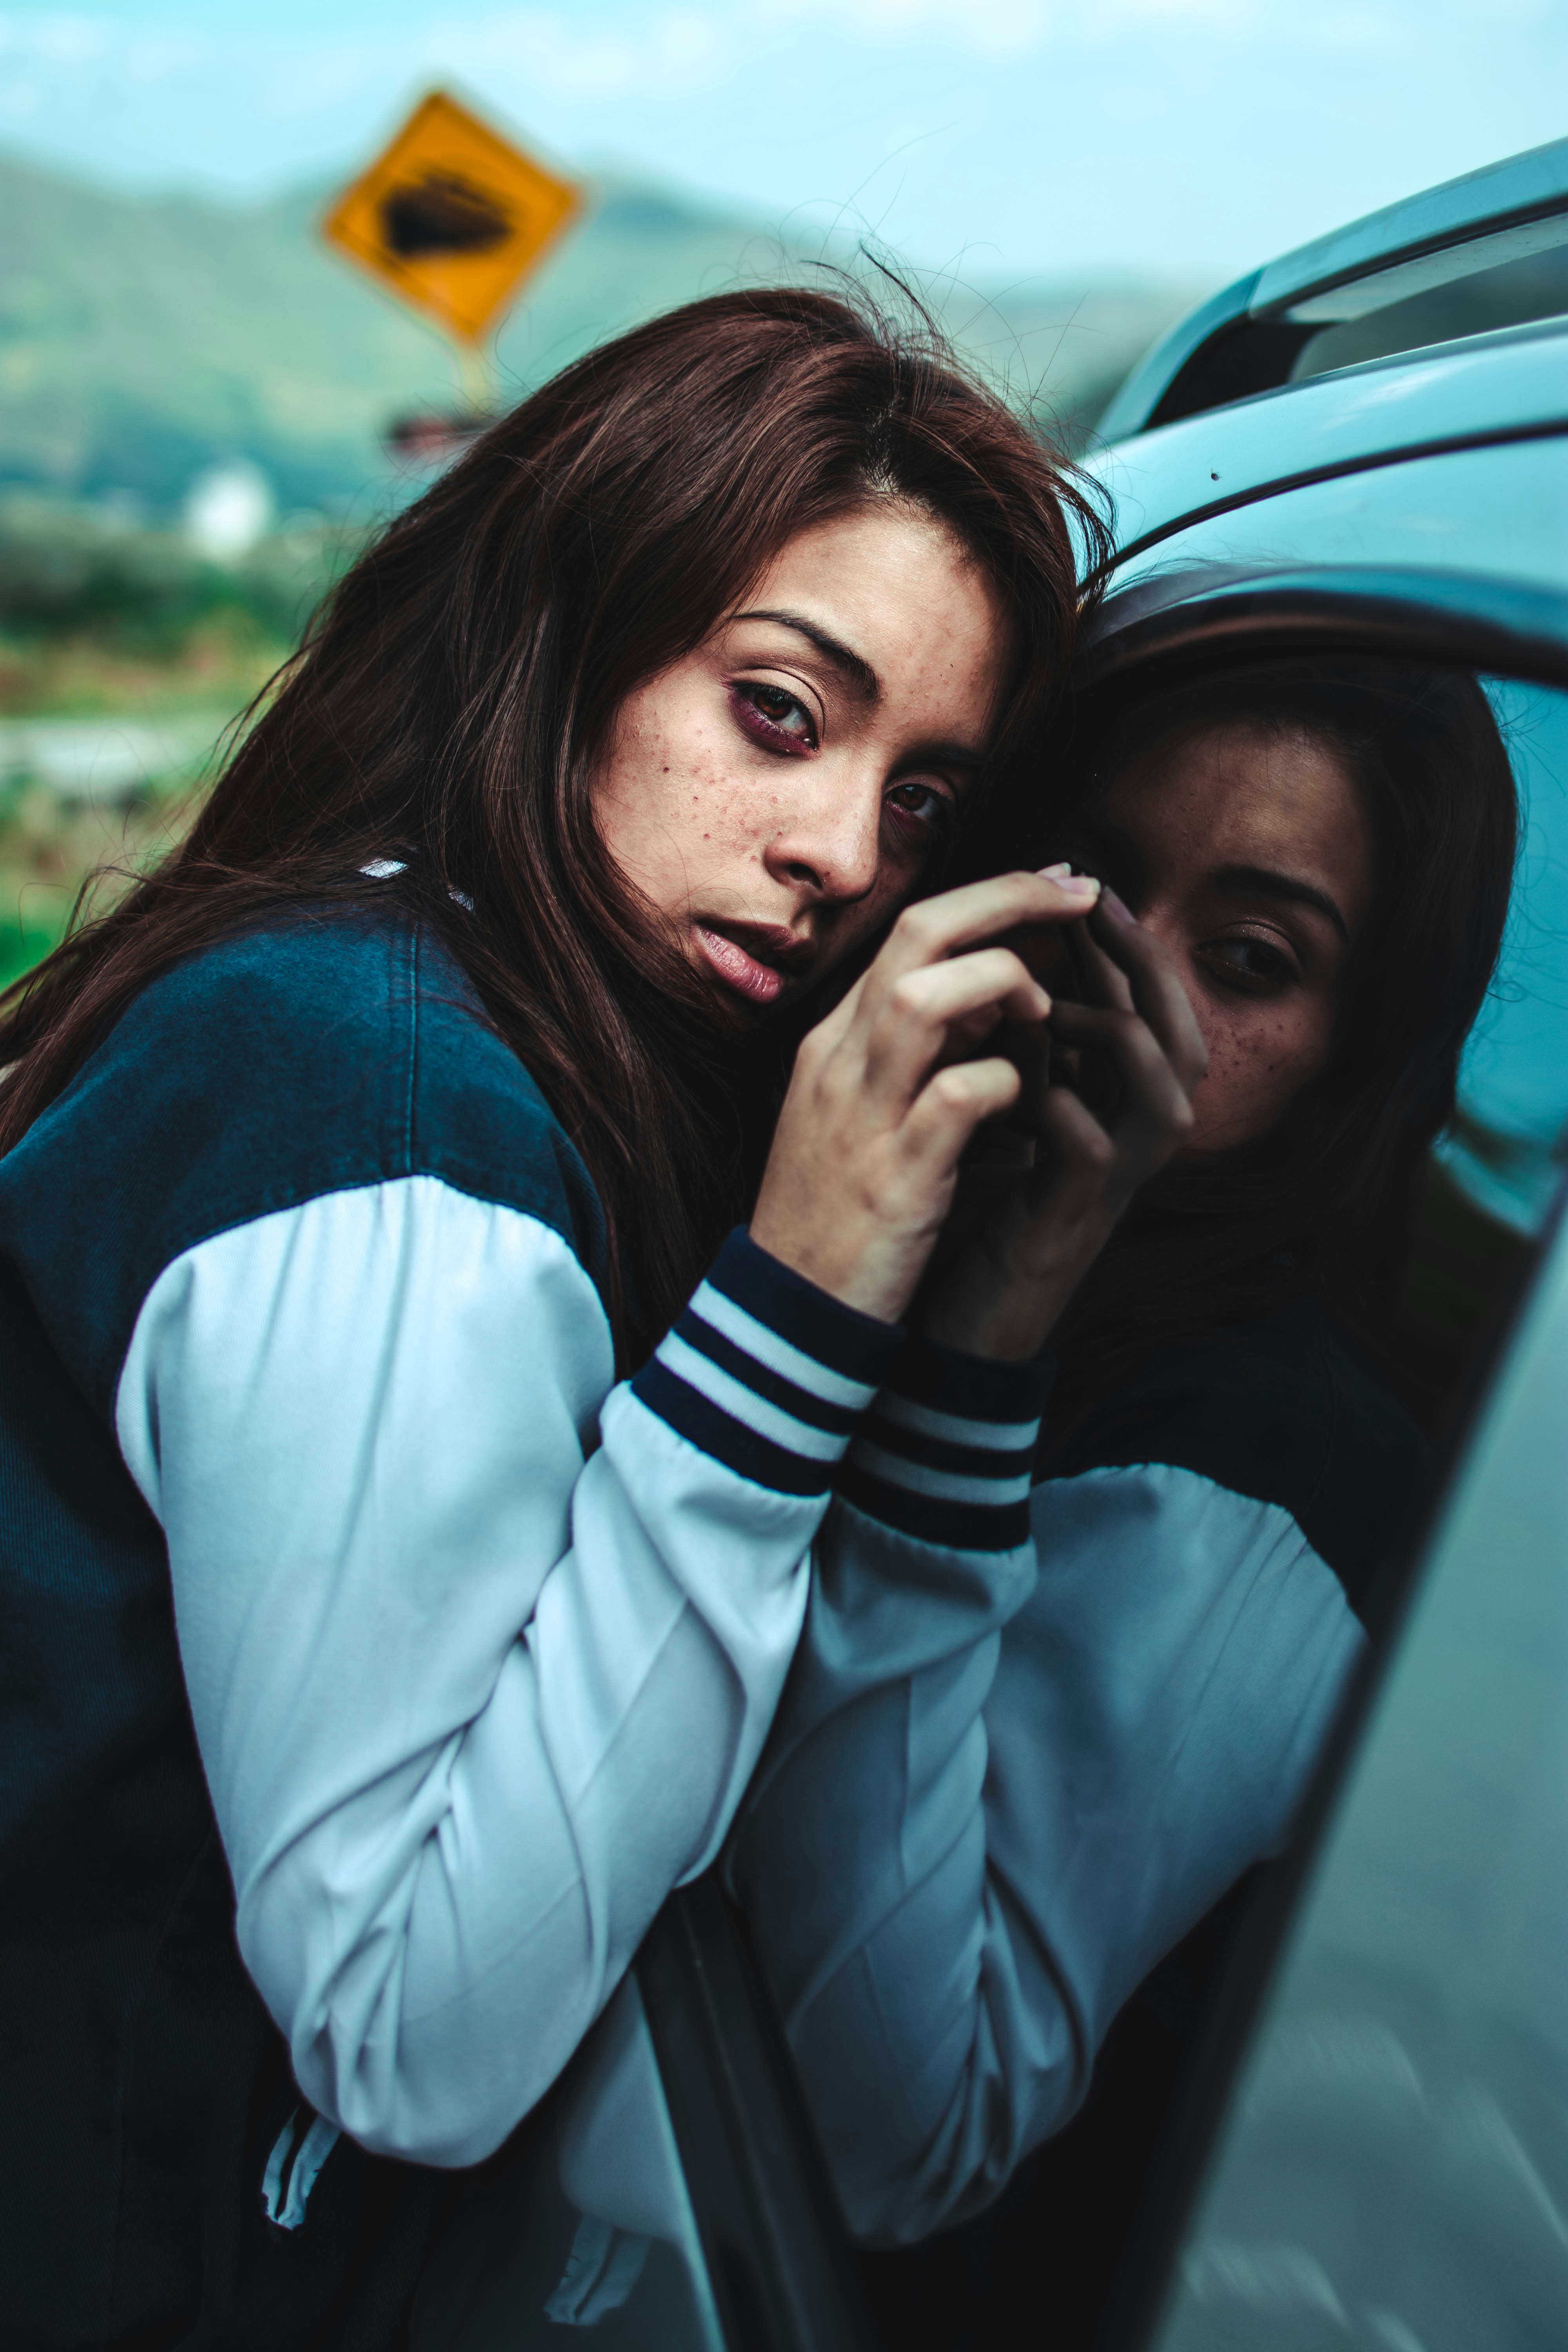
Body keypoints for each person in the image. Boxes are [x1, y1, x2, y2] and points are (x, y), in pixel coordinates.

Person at [0, 287, 1211, 2351]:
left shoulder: (384, 1009)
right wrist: (802, 1306)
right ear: (572, 641)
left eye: (927, 800)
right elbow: (410, 2036)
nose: (839, 853)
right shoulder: (397, 1136)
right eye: (777, 711)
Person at [728, 659, 1518, 2318]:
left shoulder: (1252, 1488)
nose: (1114, 981)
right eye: (1085, 882)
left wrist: (981, 1350)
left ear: (1357, 1053)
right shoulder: (855, 1183)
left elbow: (896, 2132)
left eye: (1245, 961)